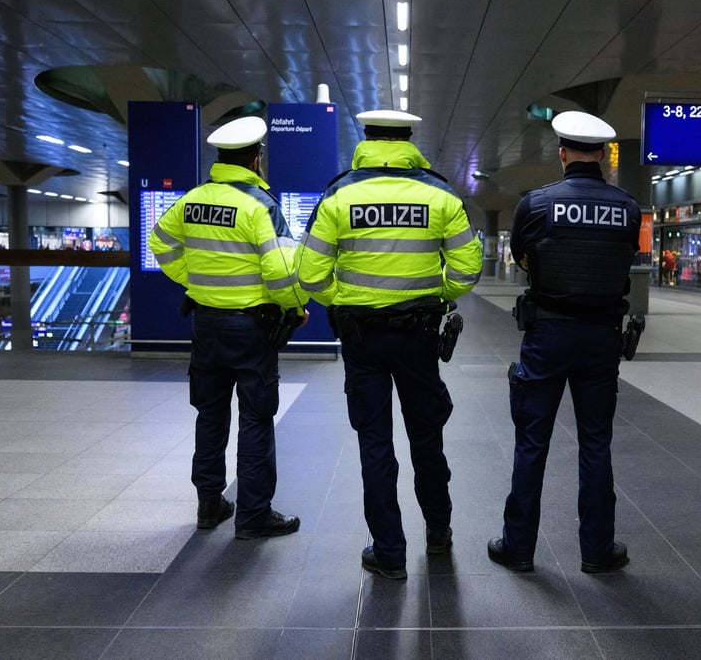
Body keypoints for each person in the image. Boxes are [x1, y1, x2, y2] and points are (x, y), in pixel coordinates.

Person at [296, 109, 483, 579]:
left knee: (375, 444)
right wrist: (436, 294)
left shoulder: (339, 195)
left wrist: (345, 299)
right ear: (409, 140)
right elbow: (467, 269)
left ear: (367, 139)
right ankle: (438, 534)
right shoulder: (439, 195)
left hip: (361, 339)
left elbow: (310, 274)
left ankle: (389, 553)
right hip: (419, 338)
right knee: (427, 437)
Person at [488, 111, 640, 575]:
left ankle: (518, 548)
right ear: (604, 157)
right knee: (596, 444)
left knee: (532, 442)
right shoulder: (628, 208)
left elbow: (521, 257)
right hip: (600, 339)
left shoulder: (536, 205)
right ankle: (597, 551)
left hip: (548, 335)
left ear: (562, 154)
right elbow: (623, 256)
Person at [149, 115, 308, 539]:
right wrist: (295, 307)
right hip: (252, 328)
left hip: (206, 324)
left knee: (210, 414)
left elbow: (159, 242)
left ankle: (208, 504)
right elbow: (281, 271)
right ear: (256, 160)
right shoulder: (261, 206)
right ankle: (253, 514)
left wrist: (194, 280)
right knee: (256, 417)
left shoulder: (192, 200)